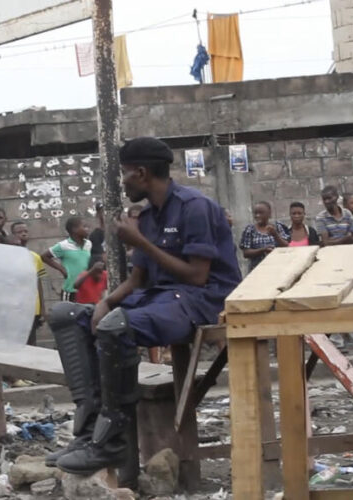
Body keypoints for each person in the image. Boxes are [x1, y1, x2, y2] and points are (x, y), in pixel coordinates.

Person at [46, 137, 241, 478]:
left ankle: (112, 441)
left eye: (124, 174)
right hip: (163, 297)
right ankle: (89, 431)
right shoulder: (149, 215)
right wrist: (104, 302)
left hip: (203, 299)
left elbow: (197, 276)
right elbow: (138, 281)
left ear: (141, 172)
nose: (122, 182)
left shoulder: (195, 207)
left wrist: (140, 243)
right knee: (69, 316)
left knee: (115, 326)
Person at [11, 221, 47, 346]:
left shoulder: (35, 257)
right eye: (19, 232)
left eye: (25, 231)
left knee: (31, 342)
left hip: (32, 307)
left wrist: (42, 308)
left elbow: (38, 283)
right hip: (15, 307)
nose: (23, 234)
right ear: (13, 235)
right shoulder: (9, 257)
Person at [42, 217, 92, 302]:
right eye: (84, 226)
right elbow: (44, 256)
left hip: (86, 290)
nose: (88, 229)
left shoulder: (88, 244)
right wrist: (61, 269)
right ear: (74, 229)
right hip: (70, 290)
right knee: (68, 314)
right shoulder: (64, 245)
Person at [238, 201, 289, 272]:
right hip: (257, 270)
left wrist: (275, 234)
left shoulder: (278, 226)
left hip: (278, 268)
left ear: (269, 214)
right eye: (255, 213)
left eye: (261, 213)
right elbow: (246, 253)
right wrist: (263, 250)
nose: (257, 216)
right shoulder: (250, 229)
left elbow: (286, 246)